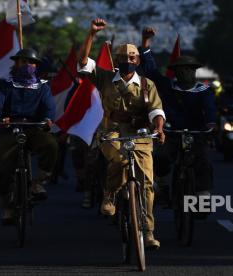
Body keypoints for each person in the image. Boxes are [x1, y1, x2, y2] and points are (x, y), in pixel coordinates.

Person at [78, 18, 166, 249]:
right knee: (118, 159)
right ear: (116, 61)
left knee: (147, 183)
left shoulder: (147, 85)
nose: (128, 61)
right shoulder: (105, 78)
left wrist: (158, 127)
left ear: (137, 60)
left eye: (132, 58)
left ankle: (148, 232)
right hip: (112, 132)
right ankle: (110, 194)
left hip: (140, 135)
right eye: (123, 58)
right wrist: (91, 34)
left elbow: (156, 110)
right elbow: (83, 62)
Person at [139, 27, 216, 202]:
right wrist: (145, 42)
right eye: (181, 69)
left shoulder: (204, 91)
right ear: (175, 71)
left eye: (189, 69)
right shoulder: (167, 85)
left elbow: (210, 109)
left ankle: (203, 196)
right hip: (172, 133)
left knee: (203, 160)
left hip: (196, 134)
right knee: (160, 157)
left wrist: (211, 124)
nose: (185, 72)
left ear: (194, 71)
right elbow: (150, 69)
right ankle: (163, 184)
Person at [0, 48, 58, 225]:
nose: (28, 65)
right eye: (24, 61)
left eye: (31, 62)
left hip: (34, 127)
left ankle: (39, 182)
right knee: (2, 166)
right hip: (10, 127)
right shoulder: (6, 85)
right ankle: (7, 206)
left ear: (36, 66)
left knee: (51, 145)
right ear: (16, 64)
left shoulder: (42, 86)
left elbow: (49, 107)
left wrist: (48, 120)